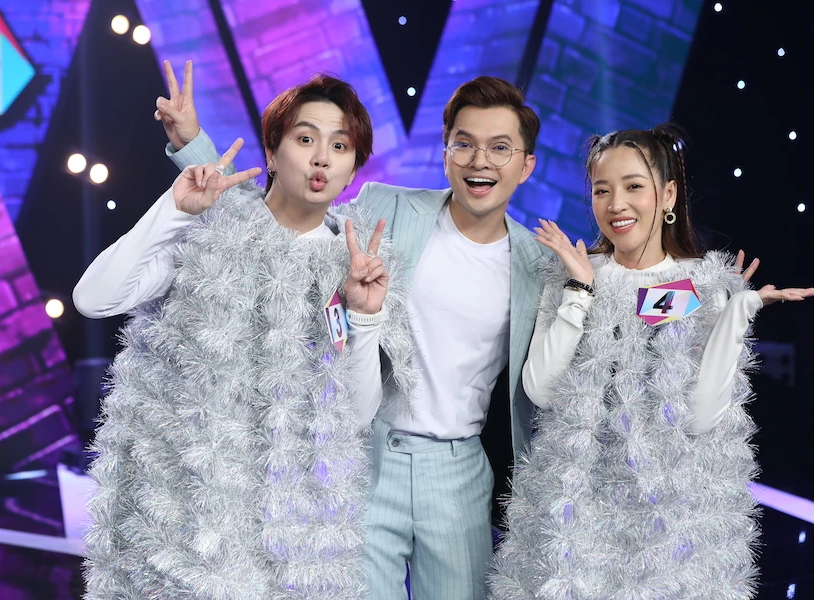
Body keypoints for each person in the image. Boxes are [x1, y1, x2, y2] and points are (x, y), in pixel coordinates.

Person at [161, 64, 549, 599]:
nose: (479, 161)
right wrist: (192, 147)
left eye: (500, 148)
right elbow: (282, 217)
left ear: (525, 166)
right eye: (464, 144)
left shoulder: (538, 265)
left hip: (458, 471)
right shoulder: (387, 207)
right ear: (445, 152)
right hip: (365, 454)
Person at [75, 72, 418, 599]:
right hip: (187, 519)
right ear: (272, 152)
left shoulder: (356, 266)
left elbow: (353, 416)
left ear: (354, 168)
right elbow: (94, 298)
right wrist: (172, 209)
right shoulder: (211, 229)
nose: (321, 158)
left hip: (293, 535)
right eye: (305, 138)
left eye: (340, 146)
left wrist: (365, 317)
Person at [488, 124, 814, 599]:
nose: (616, 204)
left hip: (669, 526)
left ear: (668, 195)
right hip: (576, 518)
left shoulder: (697, 286)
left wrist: (738, 311)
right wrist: (579, 290)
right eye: (602, 190)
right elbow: (541, 389)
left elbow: (701, 416)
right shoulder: (574, 272)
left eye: (633, 187)